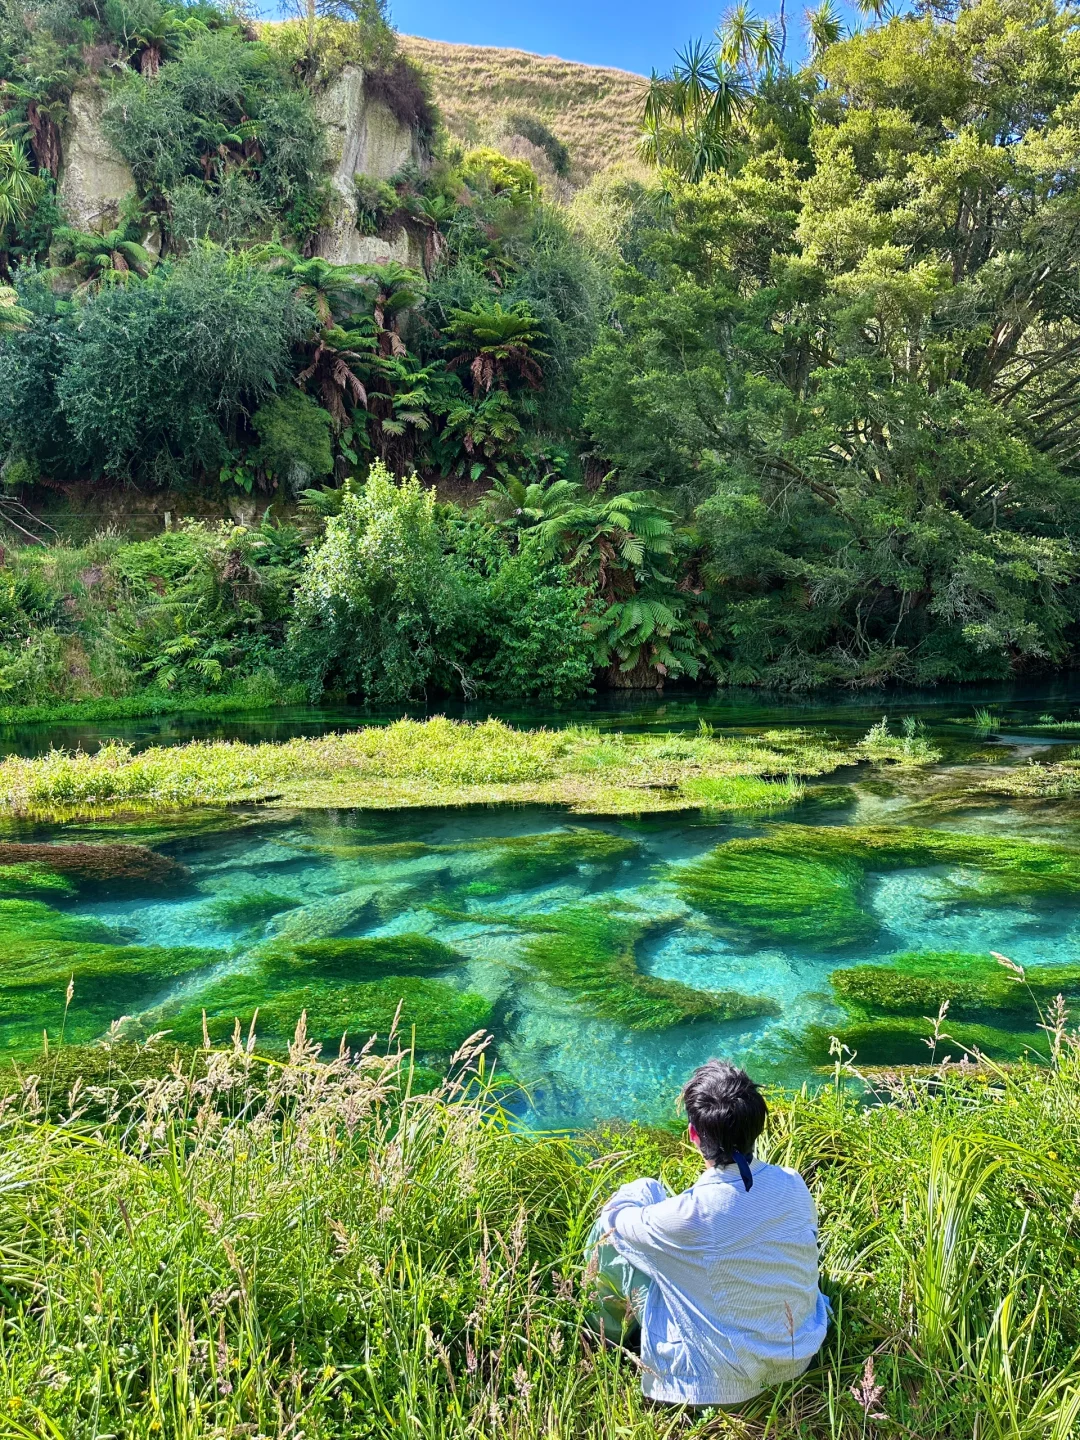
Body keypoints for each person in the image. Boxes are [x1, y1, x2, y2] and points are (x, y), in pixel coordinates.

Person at [585, 1059, 829, 1407]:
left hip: (724, 1381)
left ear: (694, 1135)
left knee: (623, 1216)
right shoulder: (793, 1183)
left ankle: (606, 1336)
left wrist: (639, 1191)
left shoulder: (687, 1217)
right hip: (797, 1352)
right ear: (756, 1127)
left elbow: (614, 1223)